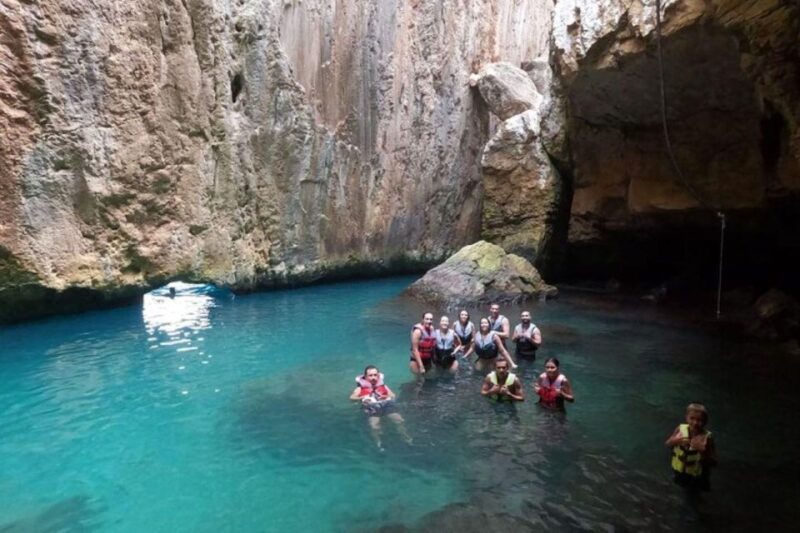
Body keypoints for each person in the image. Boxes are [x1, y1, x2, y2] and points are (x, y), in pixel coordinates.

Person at [350, 365, 412, 450]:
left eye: (375, 375)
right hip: (372, 407)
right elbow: (352, 398)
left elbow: (393, 395)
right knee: (374, 425)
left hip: (386, 405)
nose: (373, 377)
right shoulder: (360, 388)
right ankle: (378, 443)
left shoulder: (383, 386)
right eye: (370, 375)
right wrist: (363, 397)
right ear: (365, 377)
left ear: (378, 376)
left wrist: (386, 396)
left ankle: (406, 438)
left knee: (399, 420)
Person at [665, 403, 716, 491]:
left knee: (694, 493)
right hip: (679, 471)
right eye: (692, 418)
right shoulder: (680, 429)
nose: (695, 423)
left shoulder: (706, 438)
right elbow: (667, 444)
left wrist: (702, 451)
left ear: (705, 422)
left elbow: (714, 462)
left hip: (697, 475)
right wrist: (674, 441)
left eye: (700, 420)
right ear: (686, 417)